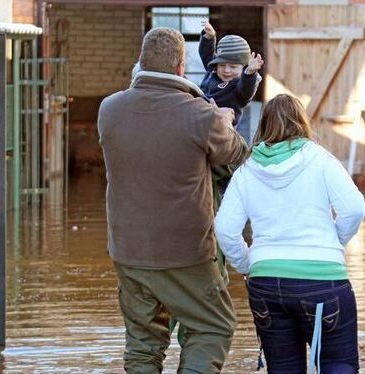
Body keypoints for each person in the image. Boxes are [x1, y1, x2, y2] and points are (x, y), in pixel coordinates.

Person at [97, 27, 248, 373]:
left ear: (140, 62)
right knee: (212, 325)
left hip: (128, 251)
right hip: (187, 253)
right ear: (181, 67)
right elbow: (238, 155)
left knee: (142, 341)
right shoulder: (200, 115)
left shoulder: (109, 110)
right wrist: (224, 121)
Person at [214, 94, 365, 373]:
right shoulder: (320, 159)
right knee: (337, 365)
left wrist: (250, 264)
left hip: (266, 285)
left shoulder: (247, 169)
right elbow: (354, 208)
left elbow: (224, 229)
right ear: (301, 123)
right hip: (323, 283)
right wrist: (333, 244)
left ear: (264, 126)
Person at [199, 21, 263, 127]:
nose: (226, 70)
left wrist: (250, 73)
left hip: (221, 127)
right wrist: (209, 37)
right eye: (222, 65)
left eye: (233, 67)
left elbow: (246, 91)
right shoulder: (213, 70)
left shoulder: (239, 86)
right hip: (200, 116)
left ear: (244, 67)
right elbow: (206, 54)